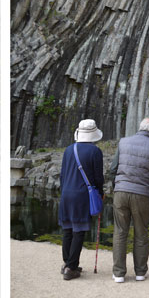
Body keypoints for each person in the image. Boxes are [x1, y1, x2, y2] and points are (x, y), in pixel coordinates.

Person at [107, 117, 149, 283]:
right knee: (141, 232)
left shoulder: (123, 142)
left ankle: (118, 274)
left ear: (140, 128)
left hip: (121, 192)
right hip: (142, 194)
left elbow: (113, 169)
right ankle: (140, 272)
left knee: (120, 232)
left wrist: (116, 186)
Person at [59, 119, 104, 280]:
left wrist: (63, 190)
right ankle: (71, 267)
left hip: (66, 193)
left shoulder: (69, 149)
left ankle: (67, 262)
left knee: (68, 229)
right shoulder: (95, 152)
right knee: (79, 231)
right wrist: (100, 191)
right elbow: (98, 177)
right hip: (82, 195)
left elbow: (62, 175)